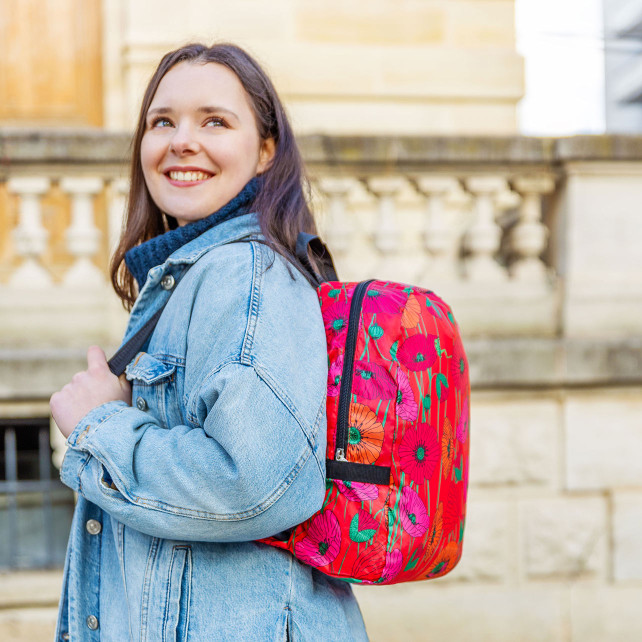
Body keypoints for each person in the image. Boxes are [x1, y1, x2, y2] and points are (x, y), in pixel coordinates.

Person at [49, 42, 369, 641]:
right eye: (161, 121)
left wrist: (100, 427)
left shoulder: (243, 274)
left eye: (214, 121)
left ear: (266, 151)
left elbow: (256, 482)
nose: (180, 141)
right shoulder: (191, 276)